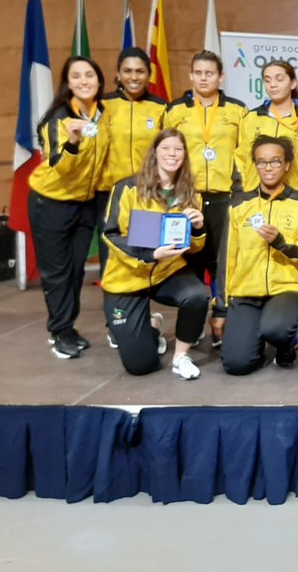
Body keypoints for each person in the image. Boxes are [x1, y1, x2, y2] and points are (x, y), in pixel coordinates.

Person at [101, 129, 209, 379]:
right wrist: (151, 254)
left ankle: (181, 357)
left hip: (166, 272)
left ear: (184, 155)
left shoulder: (192, 194)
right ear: (155, 153)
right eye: (166, 148)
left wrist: (199, 228)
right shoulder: (127, 188)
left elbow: (194, 248)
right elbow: (112, 234)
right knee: (141, 366)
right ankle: (153, 325)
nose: (172, 153)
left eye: (178, 149)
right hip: (127, 278)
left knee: (196, 297)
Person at [29, 56, 111, 359]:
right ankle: (59, 331)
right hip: (51, 202)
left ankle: (68, 326)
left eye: (89, 75)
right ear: (68, 82)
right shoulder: (60, 118)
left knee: (76, 270)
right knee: (56, 272)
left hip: (85, 204)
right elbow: (59, 168)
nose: (84, 81)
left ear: (100, 81)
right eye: (76, 76)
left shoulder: (103, 113)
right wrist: (74, 143)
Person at [164, 50, 247, 347]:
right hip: (189, 198)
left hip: (226, 197)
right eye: (198, 73)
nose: (203, 78)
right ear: (190, 75)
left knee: (224, 263)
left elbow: (246, 155)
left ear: (220, 77)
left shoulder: (238, 111)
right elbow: (167, 153)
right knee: (192, 261)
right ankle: (193, 321)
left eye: (209, 73)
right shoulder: (175, 111)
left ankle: (221, 319)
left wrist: (241, 195)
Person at [218, 135, 298, 374]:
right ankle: (254, 333)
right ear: (255, 165)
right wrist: (221, 308)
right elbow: (227, 258)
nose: (268, 167)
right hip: (246, 289)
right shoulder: (239, 205)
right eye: (262, 162)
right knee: (236, 365)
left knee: (277, 329)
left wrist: (280, 242)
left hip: (287, 286)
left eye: (275, 161)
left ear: (286, 165)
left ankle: (285, 342)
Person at [95, 48, 167, 276]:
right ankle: (115, 311)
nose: (134, 77)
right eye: (127, 71)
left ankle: (140, 311)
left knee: (142, 258)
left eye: (140, 71)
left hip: (144, 194)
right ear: (117, 73)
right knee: (111, 258)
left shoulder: (160, 107)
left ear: (149, 74)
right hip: (109, 195)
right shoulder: (103, 106)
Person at [238, 59, 298, 195]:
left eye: (279, 79)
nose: (272, 85)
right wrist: (242, 195)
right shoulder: (251, 118)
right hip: (258, 200)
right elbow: (242, 160)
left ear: (293, 83)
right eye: (267, 80)